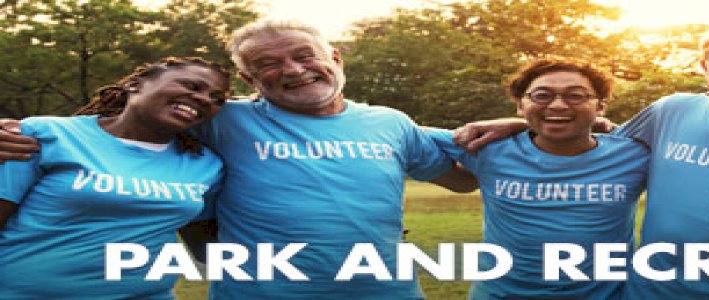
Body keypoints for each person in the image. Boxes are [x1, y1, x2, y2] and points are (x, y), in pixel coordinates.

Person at [0, 20, 477, 298]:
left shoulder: (392, 122)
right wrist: (14, 131)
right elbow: (123, 123)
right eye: (268, 65)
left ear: (334, 57)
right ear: (252, 81)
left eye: (304, 55)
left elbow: (463, 176)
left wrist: (521, 125)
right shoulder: (223, 119)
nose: (291, 69)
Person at [452, 26, 709, 299]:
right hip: (651, 290)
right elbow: (599, 136)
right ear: (705, 69)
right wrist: (520, 120)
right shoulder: (673, 110)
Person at [0, 57, 230, 299]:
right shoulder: (45, 134)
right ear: (135, 84)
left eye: (217, 99)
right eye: (192, 86)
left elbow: (203, 244)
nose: (205, 99)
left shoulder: (206, 165)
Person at [425, 57, 647, 299]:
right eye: (542, 95)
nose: (558, 105)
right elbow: (400, 132)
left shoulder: (634, 155)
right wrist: (519, 125)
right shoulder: (485, 146)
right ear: (521, 105)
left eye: (576, 96)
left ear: (600, 106)